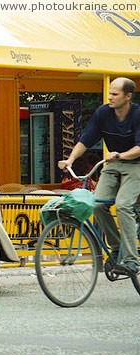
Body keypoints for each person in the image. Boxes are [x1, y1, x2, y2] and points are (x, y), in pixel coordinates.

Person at [58, 77, 140, 275]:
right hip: (113, 163)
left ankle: (132, 260)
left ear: (128, 96)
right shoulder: (103, 113)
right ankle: (117, 246)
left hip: (135, 163)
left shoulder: (137, 114)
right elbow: (85, 140)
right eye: (109, 93)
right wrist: (70, 160)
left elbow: (139, 148)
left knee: (122, 205)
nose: (109, 97)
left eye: (114, 94)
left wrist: (120, 154)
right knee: (97, 204)